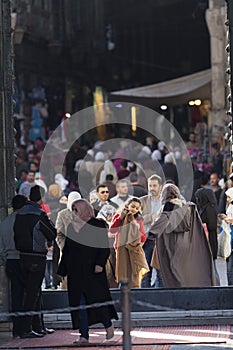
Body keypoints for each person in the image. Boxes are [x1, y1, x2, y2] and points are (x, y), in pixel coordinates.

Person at [57, 199, 118, 345]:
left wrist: (99, 264)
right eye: (72, 210)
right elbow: (67, 251)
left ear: (85, 210)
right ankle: (83, 335)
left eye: (76, 210)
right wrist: (62, 270)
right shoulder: (71, 227)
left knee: (97, 302)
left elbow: (103, 247)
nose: (73, 213)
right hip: (76, 273)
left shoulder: (96, 225)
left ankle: (109, 327)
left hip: (93, 272)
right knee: (80, 304)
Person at [148, 183, 218, 288]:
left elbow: (158, 226)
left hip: (170, 246)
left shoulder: (167, 208)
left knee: (168, 276)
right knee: (183, 274)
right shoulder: (188, 208)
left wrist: (148, 234)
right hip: (185, 246)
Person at [14, 185, 57, 338]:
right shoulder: (39, 214)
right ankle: (27, 328)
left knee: (32, 292)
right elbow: (52, 232)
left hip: (22, 255)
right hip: (36, 256)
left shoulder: (20, 213)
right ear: (41, 198)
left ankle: (37, 327)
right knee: (33, 294)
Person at [0, 195, 28, 338]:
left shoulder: (5, 223)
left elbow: (1, 247)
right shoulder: (24, 221)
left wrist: (6, 259)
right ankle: (25, 327)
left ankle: (17, 328)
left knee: (15, 294)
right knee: (27, 294)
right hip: (23, 259)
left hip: (10, 260)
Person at [109, 197, 149, 288]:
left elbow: (143, 238)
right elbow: (112, 230)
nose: (134, 209)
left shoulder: (138, 219)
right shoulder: (119, 216)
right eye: (133, 206)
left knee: (134, 275)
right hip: (121, 249)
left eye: (137, 208)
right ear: (127, 205)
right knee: (123, 274)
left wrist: (135, 229)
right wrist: (121, 218)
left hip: (133, 250)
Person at [140, 174, 164, 288]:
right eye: (150, 186)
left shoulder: (164, 201)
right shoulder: (142, 201)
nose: (152, 188)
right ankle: (144, 294)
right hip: (147, 239)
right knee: (145, 271)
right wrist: (150, 217)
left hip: (161, 239)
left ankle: (160, 295)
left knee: (161, 271)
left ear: (160, 186)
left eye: (154, 185)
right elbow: (136, 219)